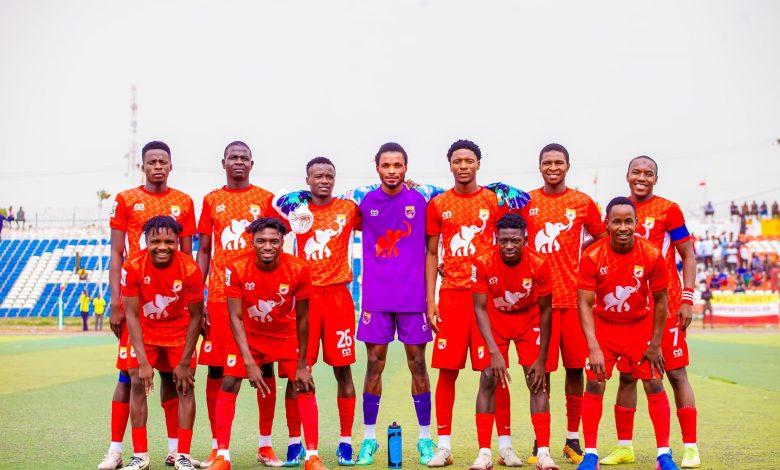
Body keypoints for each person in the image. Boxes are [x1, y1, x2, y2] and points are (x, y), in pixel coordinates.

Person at [100, 140, 198, 470]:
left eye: (163, 161)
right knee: (129, 378)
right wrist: (115, 301)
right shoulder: (126, 199)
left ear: (171, 166)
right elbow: (116, 253)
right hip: (134, 298)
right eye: (151, 161)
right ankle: (117, 449)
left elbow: (184, 257)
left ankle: (175, 451)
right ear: (143, 166)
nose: (157, 166)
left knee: (173, 379)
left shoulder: (184, 201)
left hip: (172, 312)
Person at [600, 156, 700, 469]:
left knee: (675, 373)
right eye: (636, 172)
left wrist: (687, 297)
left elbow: (688, 254)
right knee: (627, 377)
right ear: (627, 176)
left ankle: (690, 448)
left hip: (664, 306)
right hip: (629, 311)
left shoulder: (668, 209)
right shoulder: (619, 210)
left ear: (655, 178)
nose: (642, 177)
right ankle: (624, 447)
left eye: (648, 173)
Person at [208, 218, 325, 470]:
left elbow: (304, 318)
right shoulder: (236, 267)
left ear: (283, 241)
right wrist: (249, 362)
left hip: (285, 334)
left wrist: (303, 363)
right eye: (261, 240)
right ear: (252, 242)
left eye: (274, 240)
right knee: (229, 381)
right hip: (249, 334)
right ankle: (223, 455)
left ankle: (312, 457)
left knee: (304, 383)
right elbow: (235, 317)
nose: (267, 246)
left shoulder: (299, 268)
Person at [516, 144, 606, 465]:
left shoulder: (582, 203)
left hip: (572, 301)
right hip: (538, 304)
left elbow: (602, 237)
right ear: (539, 167)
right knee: (539, 373)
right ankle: (541, 443)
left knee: (574, 370)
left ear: (568, 166)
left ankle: (571, 439)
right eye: (547, 163)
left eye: (558, 162)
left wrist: (589, 267)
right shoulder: (527, 201)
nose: (553, 167)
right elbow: (507, 235)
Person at [195, 141, 282, 467]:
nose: (239, 162)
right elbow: (204, 251)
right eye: (233, 157)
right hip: (219, 296)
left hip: (257, 298)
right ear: (223, 162)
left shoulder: (265, 199)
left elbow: (276, 246)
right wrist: (198, 294)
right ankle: (219, 447)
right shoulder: (212, 200)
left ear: (252, 162)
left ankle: (265, 444)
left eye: (244, 157)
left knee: (266, 366)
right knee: (217, 369)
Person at [425, 140, 511, 467]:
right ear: (450, 165)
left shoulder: (494, 201)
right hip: (451, 297)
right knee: (447, 371)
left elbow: (509, 243)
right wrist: (430, 301)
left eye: (469, 160)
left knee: (493, 370)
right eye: (457, 161)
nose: (463, 165)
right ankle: (444, 447)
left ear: (478, 164)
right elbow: (433, 253)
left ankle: (500, 447)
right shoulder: (439, 204)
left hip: (487, 298)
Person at [575, 197, 677, 470]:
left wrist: (656, 343)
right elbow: (584, 302)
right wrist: (593, 346)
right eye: (616, 221)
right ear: (606, 224)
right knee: (595, 383)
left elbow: (660, 300)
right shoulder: (592, 256)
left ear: (637, 223)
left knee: (654, 383)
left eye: (628, 221)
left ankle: (664, 455)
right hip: (604, 327)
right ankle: (591, 455)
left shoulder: (652, 254)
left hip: (639, 328)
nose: (623, 227)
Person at [351, 143, 436, 465]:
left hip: (413, 299)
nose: (391, 170)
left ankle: (425, 440)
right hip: (376, 299)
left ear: (406, 168)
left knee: (418, 365)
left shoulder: (422, 199)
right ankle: (369, 439)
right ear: (377, 169)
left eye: (397, 165)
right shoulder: (364, 202)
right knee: (374, 365)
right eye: (385, 165)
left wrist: (430, 300)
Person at [284, 157, 360, 466]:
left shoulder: (348, 209)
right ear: (308, 179)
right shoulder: (296, 211)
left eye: (329, 175)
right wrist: (293, 199)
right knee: (296, 371)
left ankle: (345, 441)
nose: (324, 180)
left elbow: (380, 208)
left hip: (338, 298)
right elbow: (274, 200)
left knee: (343, 370)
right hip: (304, 299)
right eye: (318, 176)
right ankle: (294, 442)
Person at [468, 213, 559, 470]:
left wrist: (542, 358)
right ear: (497, 239)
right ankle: (485, 453)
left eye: (515, 241)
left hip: (528, 321)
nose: (509, 246)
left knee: (537, 381)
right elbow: (479, 309)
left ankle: (543, 453)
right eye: (504, 240)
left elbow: (546, 311)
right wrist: (494, 351)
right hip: (495, 320)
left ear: (525, 239)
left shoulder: (539, 263)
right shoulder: (482, 260)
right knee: (488, 376)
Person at [121, 216, 204, 470]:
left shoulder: (190, 268)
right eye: (155, 241)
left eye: (169, 241)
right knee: (136, 381)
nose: (162, 246)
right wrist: (143, 362)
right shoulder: (133, 266)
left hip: (179, 331)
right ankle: (140, 455)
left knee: (185, 385)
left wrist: (184, 361)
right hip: (145, 331)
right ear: (146, 241)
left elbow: (196, 316)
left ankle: (183, 455)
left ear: (177, 241)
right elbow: (132, 316)